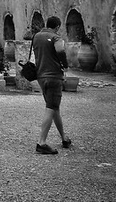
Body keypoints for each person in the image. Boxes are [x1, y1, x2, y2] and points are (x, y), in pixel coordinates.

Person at [32, 15, 71, 154]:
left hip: (41, 76)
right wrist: (65, 66)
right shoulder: (56, 38)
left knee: (54, 107)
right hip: (54, 76)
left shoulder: (36, 36)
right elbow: (60, 51)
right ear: (57, 26)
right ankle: (41, 143)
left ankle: (64, 138)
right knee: (51, 108)